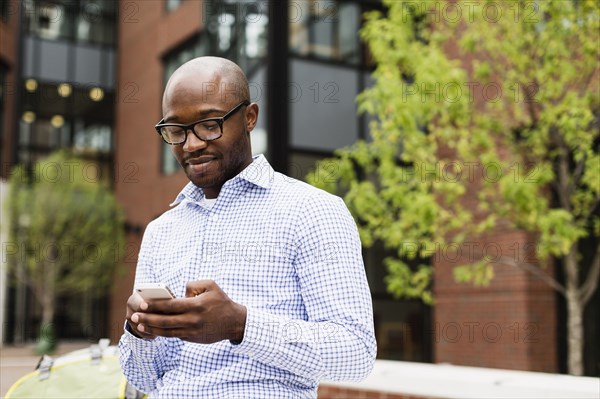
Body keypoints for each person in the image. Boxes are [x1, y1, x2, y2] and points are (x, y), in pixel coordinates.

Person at [118, 56, 376, 399]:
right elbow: (145, 380)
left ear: (249, 117)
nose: (191, 145)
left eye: (210, 124)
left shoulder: (313, 211)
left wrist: (240, 324)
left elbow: (355, 353)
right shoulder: (160, 231)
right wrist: (141, 333)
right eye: (176, 131)